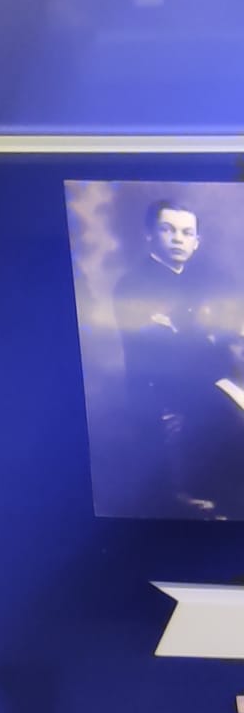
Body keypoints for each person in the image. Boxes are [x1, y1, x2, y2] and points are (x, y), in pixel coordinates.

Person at [113, 199, 244, 516]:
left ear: (196, 242)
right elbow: (168, 353)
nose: (177, 239)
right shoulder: (133, 285)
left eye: (187, 233)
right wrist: (211, 345)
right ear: (149, 234)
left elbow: (222, 339)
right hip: (161, 389)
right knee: (232, 420)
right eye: (167, 229)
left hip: (206, 379)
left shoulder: (199, 282)